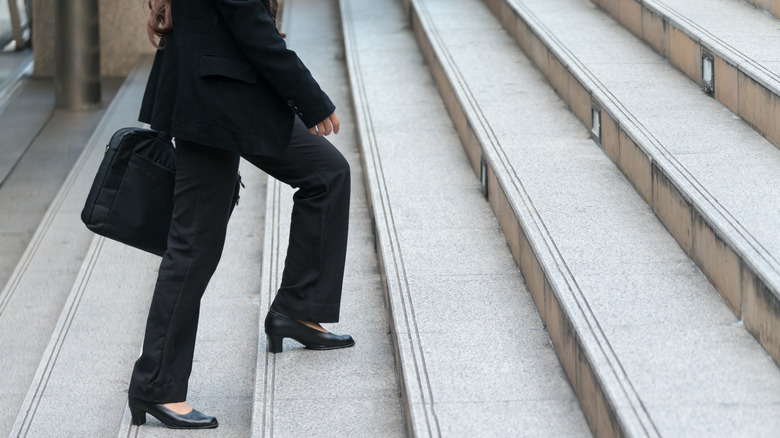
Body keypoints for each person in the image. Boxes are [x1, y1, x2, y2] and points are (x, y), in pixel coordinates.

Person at [127, 0, 354, 429]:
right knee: (194, 245)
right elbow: (251, 25)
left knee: (327, 174)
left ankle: (298, 309)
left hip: (231, 90)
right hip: (211, 100)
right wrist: (312, 100)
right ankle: (156, 385)